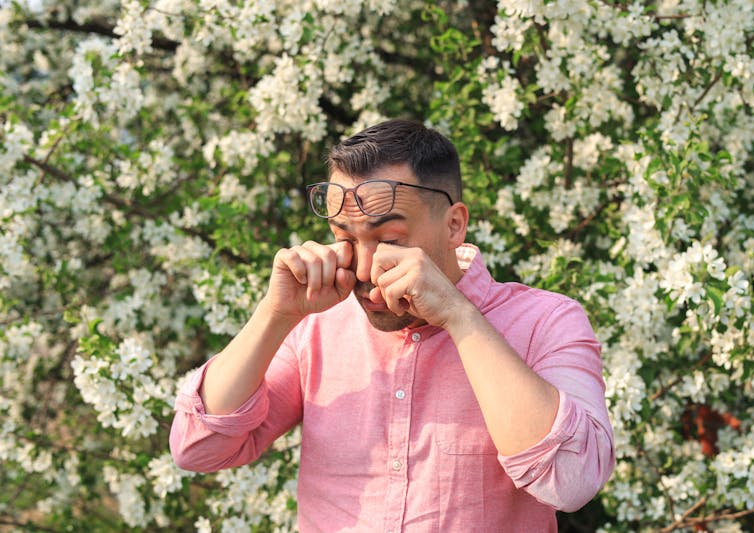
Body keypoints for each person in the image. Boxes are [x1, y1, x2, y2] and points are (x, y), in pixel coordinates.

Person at [170, 119, 615, 532]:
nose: (364, 267)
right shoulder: (316, 326)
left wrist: (459, 316)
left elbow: (572, 482)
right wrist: (275, 314)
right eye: (345, 237)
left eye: (389, 240)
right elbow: (198, 448)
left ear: (454, 225)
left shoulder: (546, 321)